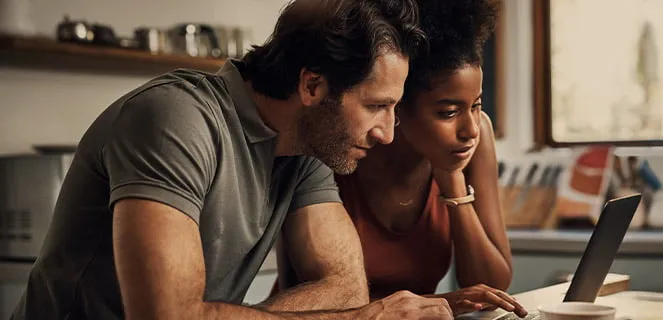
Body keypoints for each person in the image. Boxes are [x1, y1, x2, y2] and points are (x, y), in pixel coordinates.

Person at [11, 0, 455, 319]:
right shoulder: (176, 118)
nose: (388, 132)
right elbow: (167, 317)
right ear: (313, 87)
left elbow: (345, 288)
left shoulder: (308, 147)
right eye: (377, 106)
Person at [274, 0, 527, 317]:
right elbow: (305, 289)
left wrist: (453, 182)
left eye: (476, 105)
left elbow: (492, 286)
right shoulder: (339, 145)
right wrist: (443, 302)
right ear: (397, 104)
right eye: (447, 112)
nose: (471, 129)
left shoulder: (473, 141)